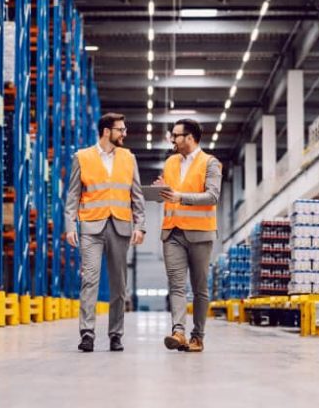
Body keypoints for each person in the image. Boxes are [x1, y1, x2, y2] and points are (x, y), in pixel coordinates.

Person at [65, 112, 146, 352]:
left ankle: (115, 335)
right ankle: (87, 333)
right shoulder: (82, 157)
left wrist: (140, 226)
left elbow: (137, 195)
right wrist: (70, 226)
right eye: (121, 129)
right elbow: (73, 195)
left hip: (120, 226)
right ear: (107, 132)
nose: (125, 133)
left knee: (119, 285)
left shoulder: (129, 158)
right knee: (89, 280)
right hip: (91, 226)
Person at [155, 118, 221, 353]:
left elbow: (213, 196)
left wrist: (180, 197)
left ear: (190, 138)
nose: (172, 139)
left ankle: (197, 337)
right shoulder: (170, 162)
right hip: (172, 231)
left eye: (176, 135)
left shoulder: (210, 163)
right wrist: (161, 189)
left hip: (200, 234)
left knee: (200, 288)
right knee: (176, 285)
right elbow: (171, 192)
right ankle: (179, 332)